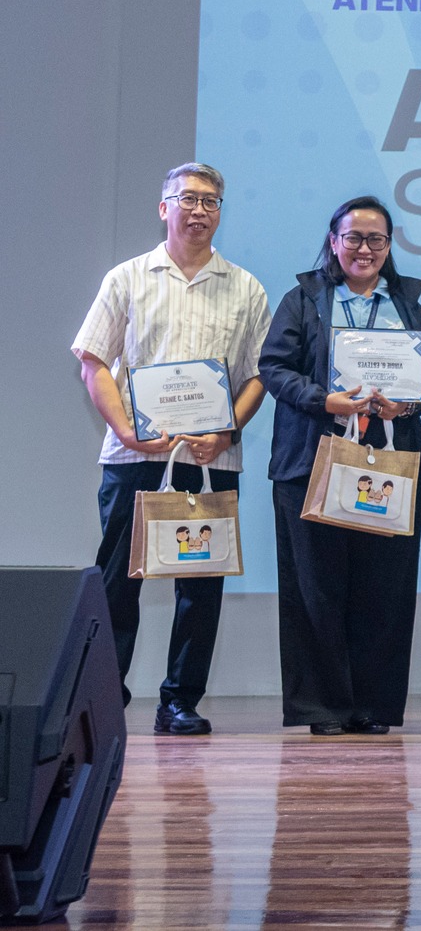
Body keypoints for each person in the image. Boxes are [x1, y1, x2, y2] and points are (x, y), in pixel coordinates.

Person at [73, 163, 270, 736]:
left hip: (210, 462)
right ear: (165, 208)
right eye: (188, 198)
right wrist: (129, 430)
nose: (200, 210)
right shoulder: (126, 278)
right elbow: (93, 362)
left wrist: (227, 429)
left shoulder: (246, 287)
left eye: (211, 201)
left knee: (201, 585)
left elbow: (259, 375)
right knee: (118, 584)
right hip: (134, 456)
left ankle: (180, 701)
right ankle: (104, 699)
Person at [258, 195, 421, 735]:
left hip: (390, 462)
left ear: (389, 246)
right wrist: (324, 400)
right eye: (353, 237)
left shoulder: (410, 305)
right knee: (315, 587)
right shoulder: (304, 299)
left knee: (384, 589)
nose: (364, 248)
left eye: (376, 239)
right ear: (334, 241)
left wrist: (404, 404)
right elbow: (273, 367)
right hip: (311, 462)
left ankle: (373, 706)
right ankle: (322, 708)